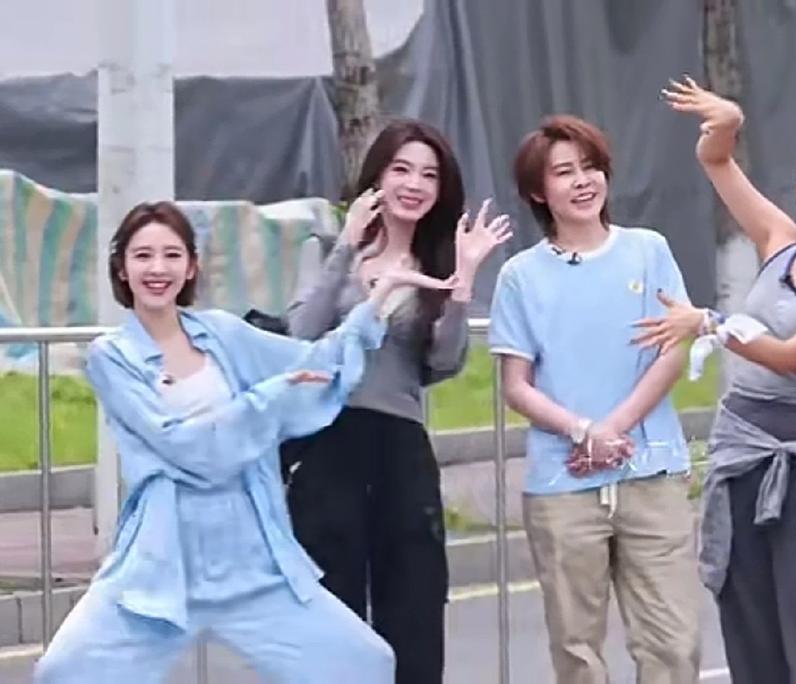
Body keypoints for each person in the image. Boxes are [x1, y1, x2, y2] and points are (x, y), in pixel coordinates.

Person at [34, 200, 453, 683]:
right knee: (65, 670)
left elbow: (313, 364)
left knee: (363, 660)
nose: (158, 268)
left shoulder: (222, 334)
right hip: (163, 564)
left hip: (252, 561)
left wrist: (376, 301)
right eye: (143, 256)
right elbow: (187, 447)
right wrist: (271, 398)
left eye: (172, 255)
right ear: (122, 269)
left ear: (191, 267)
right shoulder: (112, 357)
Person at [632, 77, 796, 683]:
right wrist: (728, 123)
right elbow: (716, 161)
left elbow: (793, 356)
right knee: (748, 624)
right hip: (740, 454)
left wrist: (711, 324)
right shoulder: (780, 242)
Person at [283, 119, 509, 683]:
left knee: (413, 608)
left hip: (400, 446)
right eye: (401, 169)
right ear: (377, 176)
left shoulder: (435, 264)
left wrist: (461, 283)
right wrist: (347, 246)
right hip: (327, 444)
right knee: (331, 611)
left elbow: (443, 362)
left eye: (429, 175)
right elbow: (300, 336)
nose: (414, 184)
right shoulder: (327, 249)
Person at [488, 114, 702, 683]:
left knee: (674, 644)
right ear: (539, 191)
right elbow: (516, 385)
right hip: (563, 487)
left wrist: (614, 430)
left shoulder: (649, 251)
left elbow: (672, 352)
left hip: (651, 473)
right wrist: (583, 432)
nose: (582, 181)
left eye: (590, 167)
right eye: (564, 172)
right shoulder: (521, 277)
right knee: (577, 650)